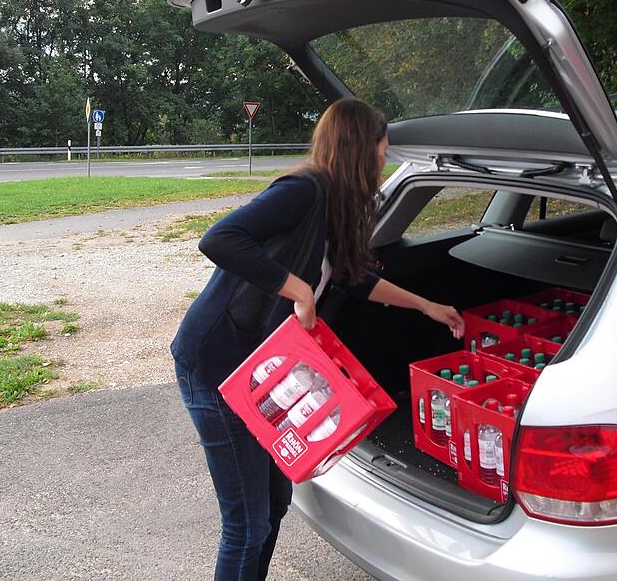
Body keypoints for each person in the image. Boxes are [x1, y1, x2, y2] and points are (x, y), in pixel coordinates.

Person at [172, 97, 465, 581]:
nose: (383, 162)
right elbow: (220, 239)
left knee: (275, 503)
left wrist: (426, 305)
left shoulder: (337, 204)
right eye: (381, 151)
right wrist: (298, 289)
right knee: (247, 524)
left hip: (259, 368)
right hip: (215, 363)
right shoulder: (304, 190)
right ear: (359, 149)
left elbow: (355, 278)